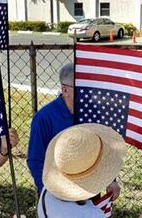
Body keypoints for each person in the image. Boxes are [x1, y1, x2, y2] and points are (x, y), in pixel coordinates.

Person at [27, 63, 120, 197]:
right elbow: (35, 160)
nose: (86, 92)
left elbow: (103, 151)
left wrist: (111, 180)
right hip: (58, 193)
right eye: (80, 88)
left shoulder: (91, 114)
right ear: (65, 90)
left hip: (90, 191)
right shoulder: (44, 117)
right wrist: (48, 192)